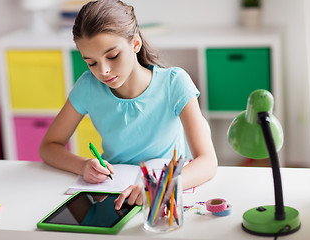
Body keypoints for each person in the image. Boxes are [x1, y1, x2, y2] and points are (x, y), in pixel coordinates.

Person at [40, 0, 217, 210]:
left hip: (164, 199)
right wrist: (83, 166)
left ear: (135, 44)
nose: (103, 71)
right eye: (91, 62)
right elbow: (48, 147)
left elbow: (207, 162)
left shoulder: (174, 83)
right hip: (114, 195)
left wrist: (159, 187)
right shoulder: (88, 86)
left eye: (112, 56)